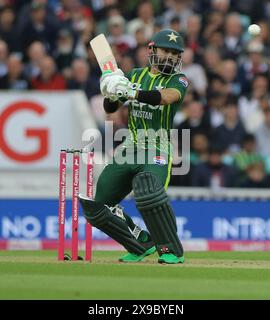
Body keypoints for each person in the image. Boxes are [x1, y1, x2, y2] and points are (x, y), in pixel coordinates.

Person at [79, 29, 188, 264]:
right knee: (96, 206)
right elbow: (110, 109)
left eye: (175, 53)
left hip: (157, 148)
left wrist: (132, 92)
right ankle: (140, 243)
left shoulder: (179, 80)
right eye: (165, 50)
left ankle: (171, 250)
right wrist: (111, 90)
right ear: (151, 50)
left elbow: (166, 97)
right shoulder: (134, 75)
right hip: (130, 147)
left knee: (147, 188)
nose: (170, 57)